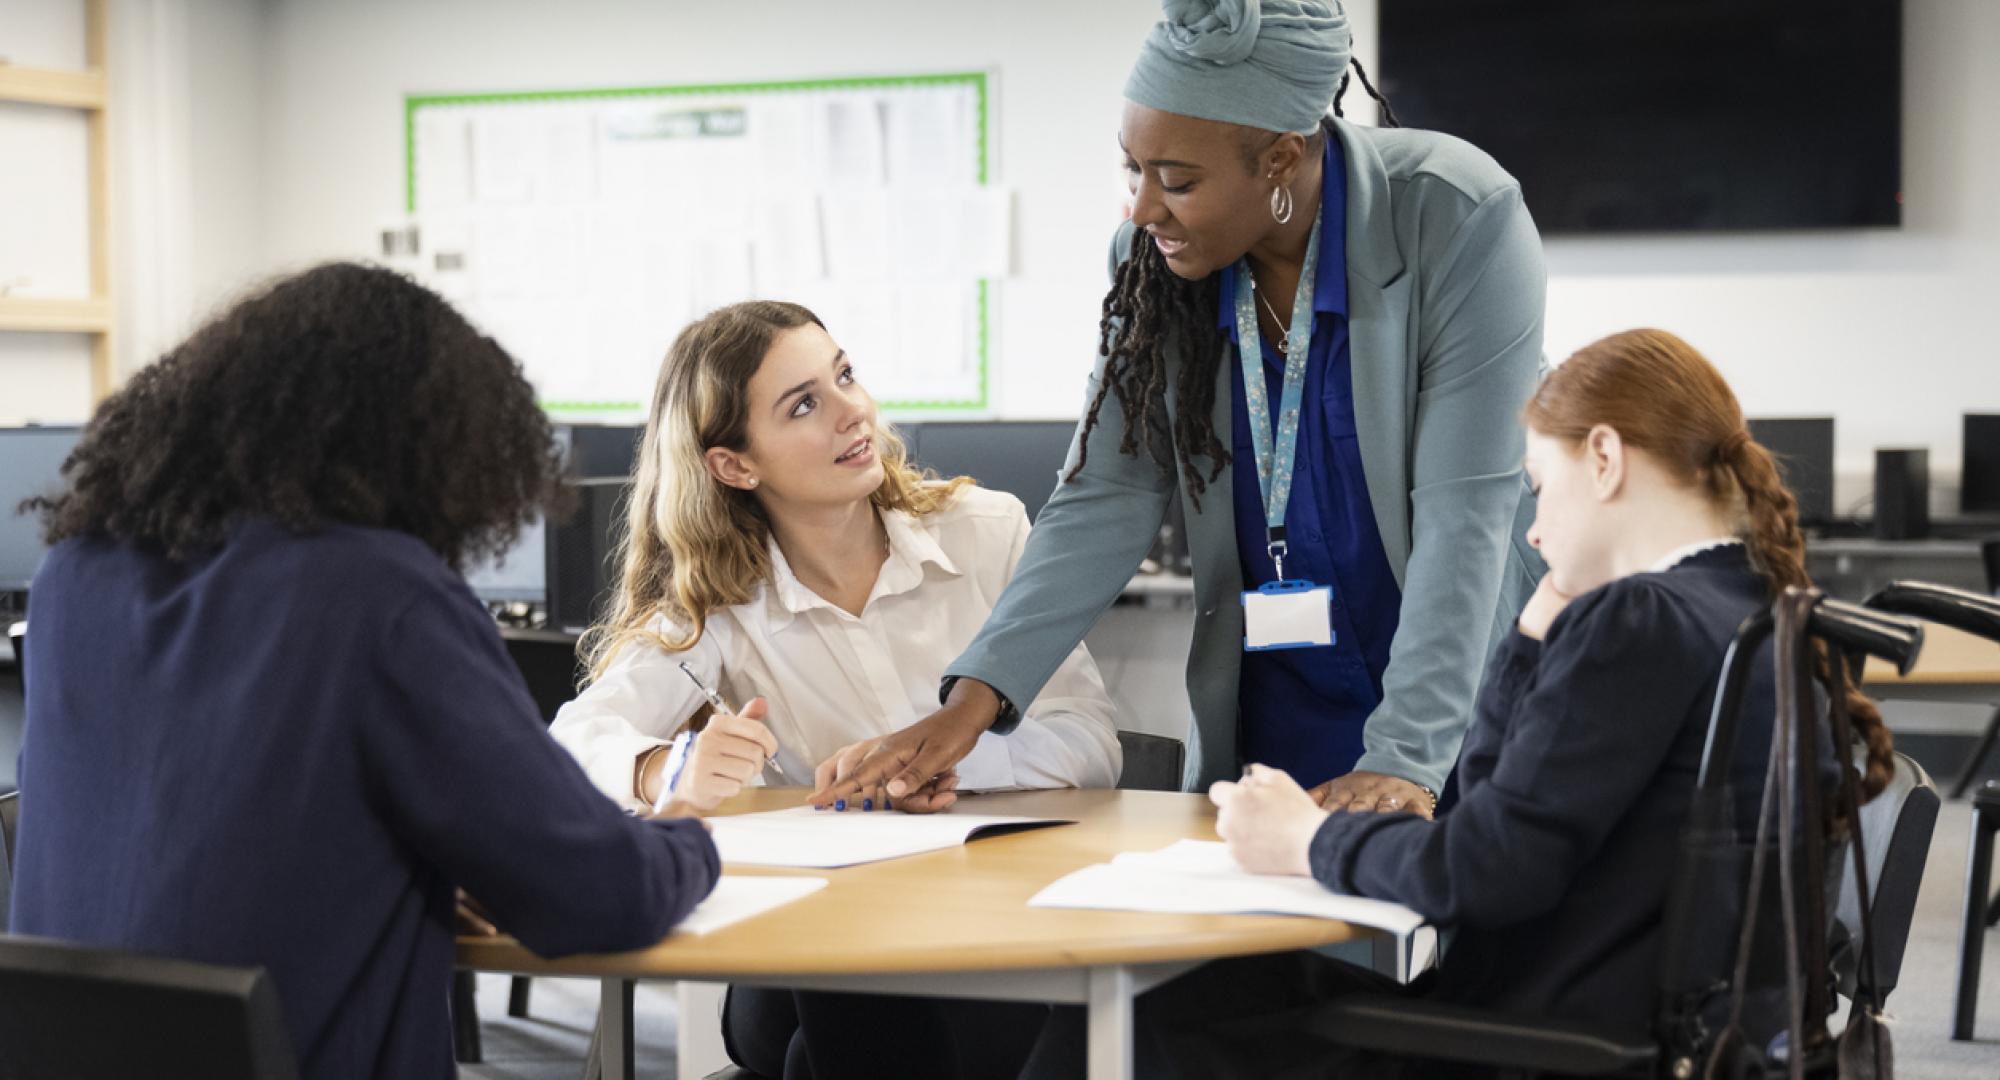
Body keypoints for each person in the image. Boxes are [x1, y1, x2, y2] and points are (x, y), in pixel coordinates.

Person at [1030, 328, 1897, 1078]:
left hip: (1536, 1041)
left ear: (1604, 458)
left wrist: (1310, 838)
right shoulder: (1749, 605)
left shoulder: (1641, 619)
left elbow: (1480, 872)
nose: (1532, 527)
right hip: (1650, 1025)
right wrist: (1528, 639)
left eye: (1539, 486)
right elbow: (1494, 816)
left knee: (1140, 1006)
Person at [813, 0, 1545, 821]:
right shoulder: (1153, 263)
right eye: (1134, 169)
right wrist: (971, 703)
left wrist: (1407, 757)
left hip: (1456, 687)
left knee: (1468, 931)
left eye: (1178, 180)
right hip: (1279, 689)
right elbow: (1106, 494)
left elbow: (1464, 513)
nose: (1141, 209)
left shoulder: (1451, 213)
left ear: (1279, 158)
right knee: (1269, 939)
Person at [8, 264, 720, 1080]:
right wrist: (691, 840)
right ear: (427, 450)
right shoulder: (380, 596)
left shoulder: (74, 577)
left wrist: (391, 873)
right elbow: (600, 893)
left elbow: (187, 828)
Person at [547, 299, 1119, 1078]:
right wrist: (665, 769)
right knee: (857, 1000)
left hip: (986, 919)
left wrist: (945, 764)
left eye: (844, 374)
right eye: (805, 404)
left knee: (840, 1046)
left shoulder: (986, 534)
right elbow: (577, 739)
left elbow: (1091, 740)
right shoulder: (718, 599)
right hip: (811, 943)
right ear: (735, 465)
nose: (854, 411)